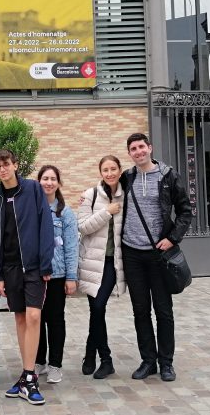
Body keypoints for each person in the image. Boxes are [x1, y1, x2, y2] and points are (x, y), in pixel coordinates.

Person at [121, 133, 193, 382]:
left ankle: (166, 363)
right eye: (133, 148)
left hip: (158, 254)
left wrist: (173, 239)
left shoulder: (168, 176)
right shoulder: (127, 177)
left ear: (150, 148)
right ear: (129, 153)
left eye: (141, 146)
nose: (138, 151)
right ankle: (148, 361)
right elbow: (106, 193)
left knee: (163, 310)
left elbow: (185, 210)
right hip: (132, 253)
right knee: (140, 310)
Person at [0, 148, 55, 405]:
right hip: (10, 268)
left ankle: (30, 375)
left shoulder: (33, 189)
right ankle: (27, 375)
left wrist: (45, 263)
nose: (2, 169)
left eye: (6, 164)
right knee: (19, 319)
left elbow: (45, 224)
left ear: (15, 164)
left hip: (34, 266)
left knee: (34, 315)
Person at [76, 155, 127, 380]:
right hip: (92, 262)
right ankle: (101, 359)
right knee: (96, 310)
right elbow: (83, 227)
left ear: (119, 170)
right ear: (100, 172)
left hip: (112, 263)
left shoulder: (127, 195)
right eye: (105, 170)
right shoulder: (90, 195)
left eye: (113, 169)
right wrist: (107, 212)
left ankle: (95, 355)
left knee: (98, 308)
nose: (109, 173)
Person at [34, 165, 78, 384]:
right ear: (38, 182)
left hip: (57, 275)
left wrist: (71, 277)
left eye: (53, 179)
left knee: (55, 320)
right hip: (35, 276)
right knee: (36, 320)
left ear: (58, 183)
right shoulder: (32, 209)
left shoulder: (65, 213)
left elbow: (71, 247)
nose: (48, 182)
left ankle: (55, 365)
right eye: (44, 178)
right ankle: (39, 361)